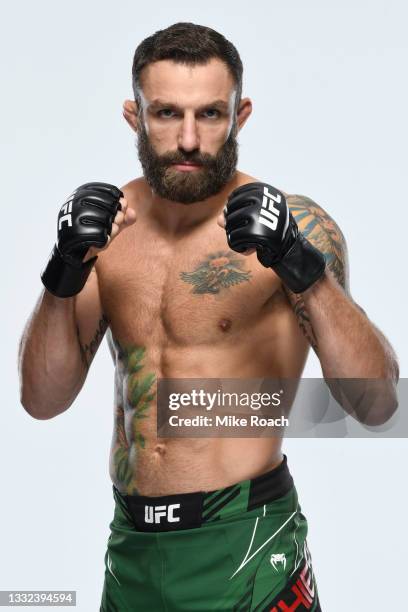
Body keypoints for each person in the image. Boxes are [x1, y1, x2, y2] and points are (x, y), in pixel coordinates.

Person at [18, 22, 398, 612]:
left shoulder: (297, 225)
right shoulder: (108, 233)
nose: (190, 139)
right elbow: (42, 401)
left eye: (210, 115)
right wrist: (63, 269)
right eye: (167, 113)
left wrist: (299, 264)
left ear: (240, 115)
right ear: (134, 115)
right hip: (132, 550)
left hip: (246, 543)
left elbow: (378, 405)